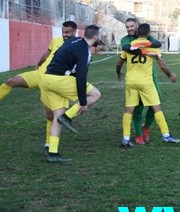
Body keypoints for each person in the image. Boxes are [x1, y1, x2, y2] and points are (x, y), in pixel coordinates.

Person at [0, 21, 78, 156]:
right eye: (63, 32)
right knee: (11, 81)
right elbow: (46, 54)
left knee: (51, 115)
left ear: (75, 31)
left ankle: (49, 145)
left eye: (68, 32)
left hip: (54, 81)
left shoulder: (78, 46)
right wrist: (39, 64)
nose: (64, 35)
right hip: (39, 75)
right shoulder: (56, 41)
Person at [41, 25, 103, 163]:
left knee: (57, 116)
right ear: (95, 37)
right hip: (59, 79)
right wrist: (82, 102)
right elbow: (81, 77)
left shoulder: (72, 41)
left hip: (46, 79)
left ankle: (53, 153)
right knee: (95, 94)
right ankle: (68, 117)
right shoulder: (85, 51)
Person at [116, 23, 180, 147]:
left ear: (137, 32)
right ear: (149, 33)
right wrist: (170, 75)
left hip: (130, 82)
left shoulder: (129, 46)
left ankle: (126, 138)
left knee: (129, 110)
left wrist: (118, 73)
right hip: (146, 82)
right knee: (157, 108)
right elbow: (162, 65)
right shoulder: (152, 47)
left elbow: (119, 63)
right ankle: (166, 136)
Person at [120, 18, 163, 142]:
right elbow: (127, 48)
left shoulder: (148, 37)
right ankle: (139, 135)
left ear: (137, 26)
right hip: (135, 78)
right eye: (127, 27)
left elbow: (158, 44)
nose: (129, 29)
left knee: (156, 103)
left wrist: (143, 45)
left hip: (151, 77)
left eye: (132, 26)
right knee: (137, 107)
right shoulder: (125, 39)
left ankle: (146, 127)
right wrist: (143, 50)